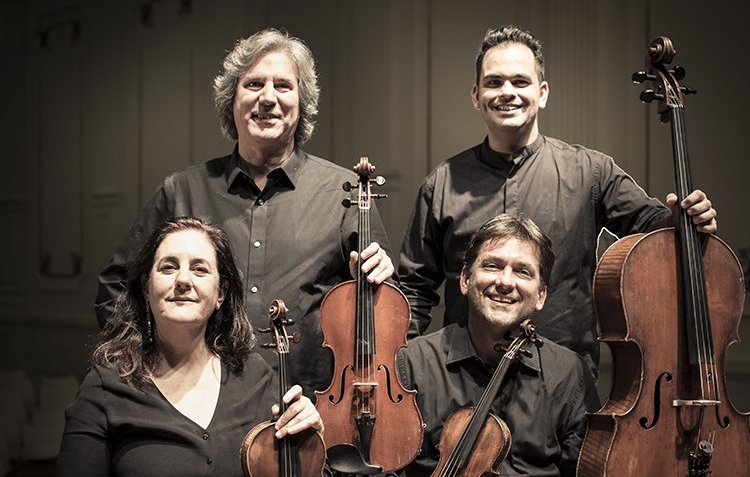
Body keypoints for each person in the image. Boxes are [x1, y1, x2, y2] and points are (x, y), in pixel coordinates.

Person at [398, 25, 718, 379]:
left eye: (520, 82)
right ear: (476, 95)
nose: (507, 92)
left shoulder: (592, 172)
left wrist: (687, 222)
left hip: (563, 387)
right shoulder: (442, 183)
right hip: (461, 385)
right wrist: (401, 374)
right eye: (494, 82)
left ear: (542, 93)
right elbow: (413, 290)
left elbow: (658, 236)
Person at [95, 28, 394, 396]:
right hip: (197, 408)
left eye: (283, 86)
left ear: (301, 103)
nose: (267, 98)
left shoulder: (344, 194)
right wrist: (148, 363)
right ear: (230, 101)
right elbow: (115, 288)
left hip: (311, 407)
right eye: (253, 85)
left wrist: (379, 285)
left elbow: (388, 316)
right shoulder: (181, 190)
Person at [58, 217, 323, 476]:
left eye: (199, 269)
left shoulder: (256, 377)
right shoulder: (105, 387)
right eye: (168, 267)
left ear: (220, 293)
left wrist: (311, 441)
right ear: (146, 287)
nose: (183, 280)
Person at [397, 214, 589, 476]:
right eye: (492, 266)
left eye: (522, 271)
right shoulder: (412, 364)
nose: (505, 282)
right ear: (465, 279)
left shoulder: (569, 375)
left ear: (541, 295)